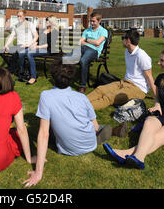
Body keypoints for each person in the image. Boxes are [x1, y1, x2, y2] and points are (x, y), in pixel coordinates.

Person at [22, 60, 125, 188]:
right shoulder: (82, 97)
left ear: (53, 78)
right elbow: (95, 126)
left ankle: (102, 132)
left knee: (49, 127)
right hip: (90, 143)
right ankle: (108, 131)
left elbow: (44, 134)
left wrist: (38, 173)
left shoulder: (46, 96)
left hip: (68, 148)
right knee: (95, 126)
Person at [103, 48, 164, 170]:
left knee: (158, 137)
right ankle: (138, 159)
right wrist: (157, 105)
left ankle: (128, 154)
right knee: (148, 123)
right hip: (162, 111)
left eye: (162, 60)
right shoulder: (160, 79)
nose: (158, 63)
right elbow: (157, 98)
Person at [87, 29, 156, 110]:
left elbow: (149, 77)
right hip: (124, 82)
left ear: (128, 40)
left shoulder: (141, 56)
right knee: (100, 89)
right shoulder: (127, 51)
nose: (122, 40)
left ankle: (82, 108)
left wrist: (157, 97)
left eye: (123, 38)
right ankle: (78, 102)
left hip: (138, 88)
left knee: (109, 97)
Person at [63, 12, 108, 94]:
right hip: (83, 48)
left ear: (99, 21)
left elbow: (98, 43)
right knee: (66, 58)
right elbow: (80, 42)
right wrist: (90, 42)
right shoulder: (87, 30)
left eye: (94, 21)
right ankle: (64, 80)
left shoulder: (103, 31)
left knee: (83, 61)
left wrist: (86, 40)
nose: (92, 23)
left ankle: (82, 86)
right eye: (91, 21)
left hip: (94, 51)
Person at [1, 9, 38, 81]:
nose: (19, 18)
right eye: (18, 16)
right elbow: (12, 36)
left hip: (27, 46)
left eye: (20, 16)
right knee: (1, 51)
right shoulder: (16, 26)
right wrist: (6, 45)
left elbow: (36, 36)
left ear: (24, 16)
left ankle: (12, 71)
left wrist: (29, 44)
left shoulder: (30, 24)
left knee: (17, 54)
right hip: (19, 46)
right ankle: (12, 67)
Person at [22, 15, 59, 85]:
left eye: (48, 20)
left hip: (49, 50)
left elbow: (49, 44)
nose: (46, 21)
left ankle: (33, 77)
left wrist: (37, 47)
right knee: (23, 52)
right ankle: (24, 72)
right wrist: (33, 45)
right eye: (46, 20)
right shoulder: (44, 30)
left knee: (30, 54)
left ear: (52, 22)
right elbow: (38, 41)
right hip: (41, 48)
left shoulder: (54, 31)